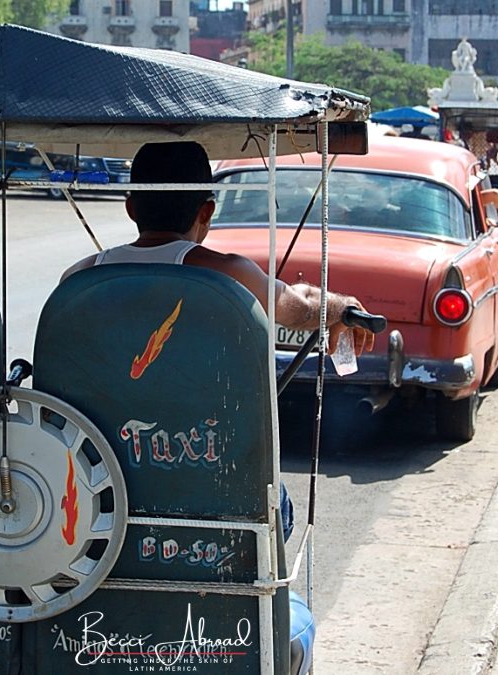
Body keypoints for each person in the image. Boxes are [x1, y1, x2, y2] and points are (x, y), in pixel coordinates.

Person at [63, 142, 378, 541]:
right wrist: (342, 307)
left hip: (101, 480)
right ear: (206, 211)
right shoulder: (227, 273)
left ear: (131, 207)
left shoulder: (78, 278)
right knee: (279, 503)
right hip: (206, 474)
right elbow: (299, 307)